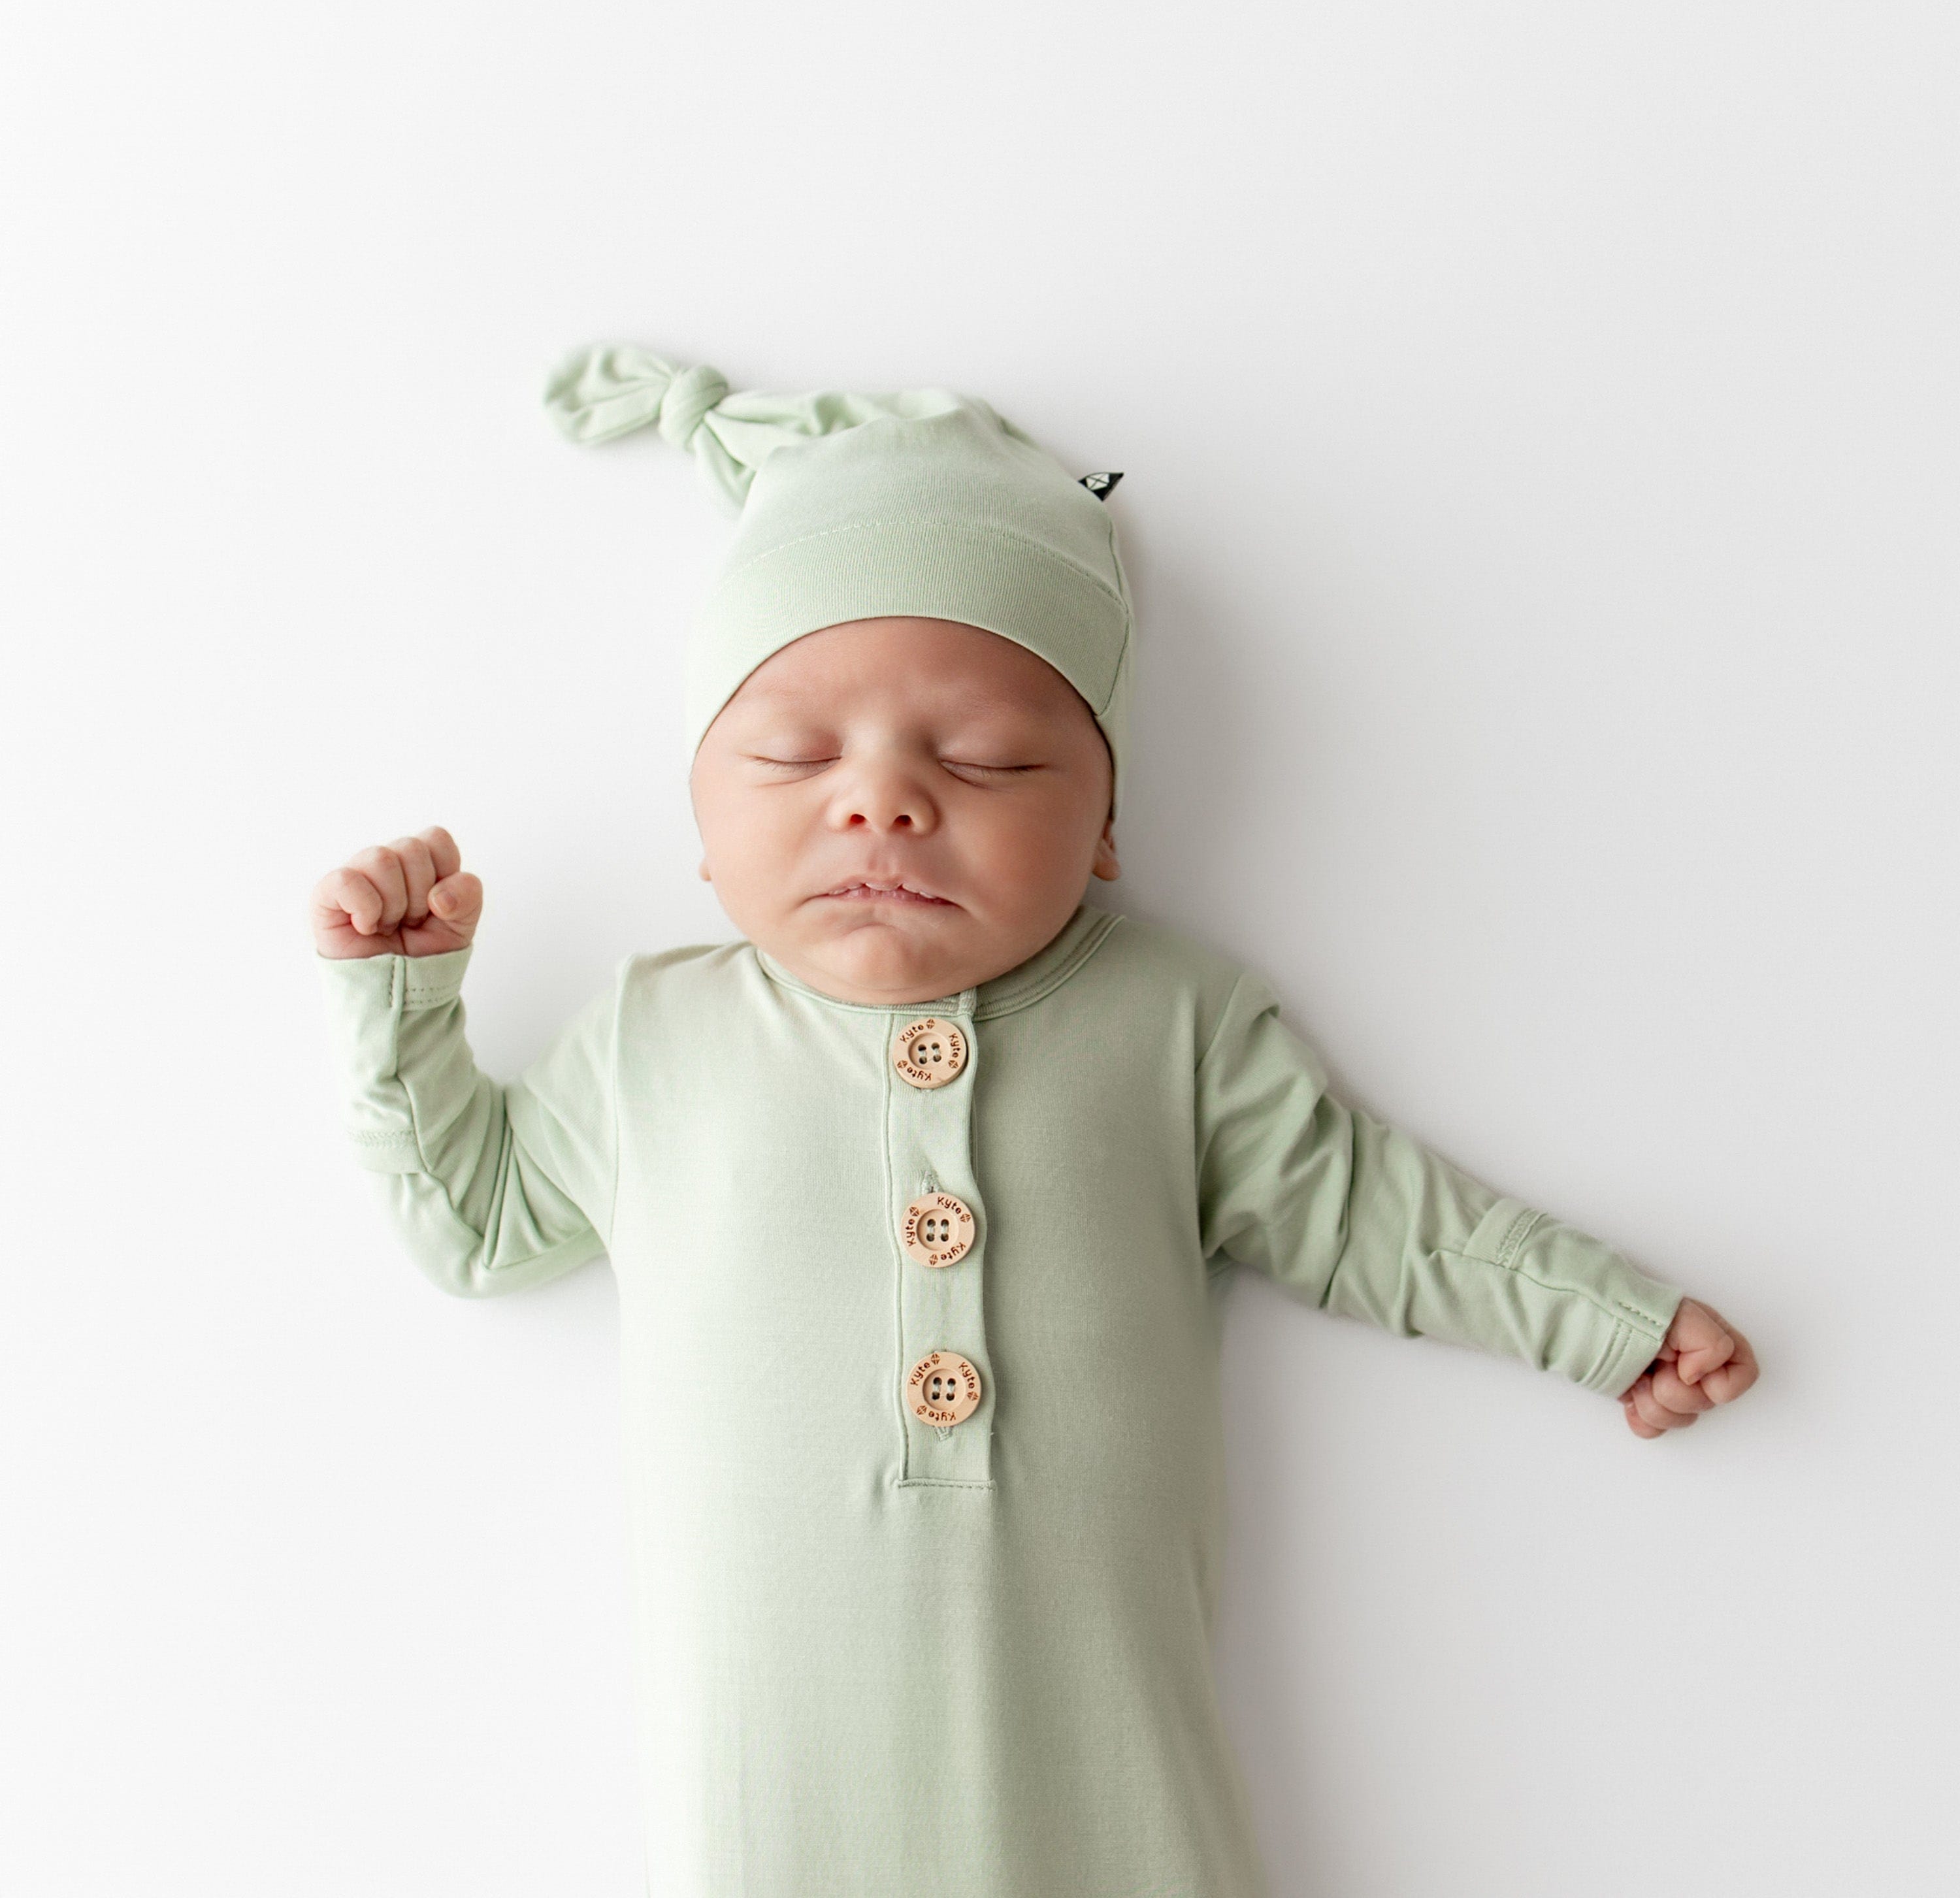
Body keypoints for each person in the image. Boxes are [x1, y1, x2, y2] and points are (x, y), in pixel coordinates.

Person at [310, 345, 1759, 1897]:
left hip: (1115, 1782)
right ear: (700, 822)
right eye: (794, 754)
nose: (880, 801)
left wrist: (1605, 1318)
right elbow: (475, 1228)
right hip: (772, 1811)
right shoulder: (654, 1043)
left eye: (990, 757)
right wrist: (401, 1004)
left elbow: (1372, 1213)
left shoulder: (1176, 1025)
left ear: (1111, 817)